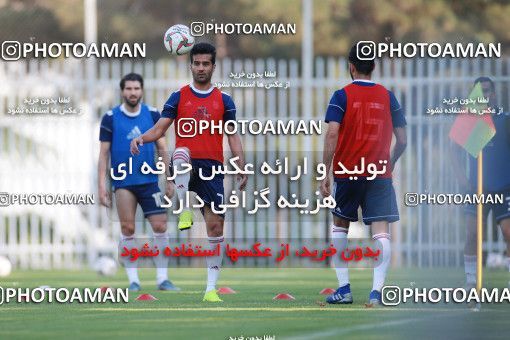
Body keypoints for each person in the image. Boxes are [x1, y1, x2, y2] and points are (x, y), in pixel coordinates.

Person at [130, 42, 248, 302]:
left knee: (216, 228)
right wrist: (141, 138)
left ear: (213, 67)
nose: (201, 67)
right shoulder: (179, 96)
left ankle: (210, 289)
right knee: (182, 153)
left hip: (213, 167)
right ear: (190, 64)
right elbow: (160, 129)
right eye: (197, 63)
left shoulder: (224, 101)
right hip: (184, 163)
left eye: (206, 63)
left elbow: (233, 136)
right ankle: (184, 207)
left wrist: (241, 165)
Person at [320, 43, 407, 305]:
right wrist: (388, 162)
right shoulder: (388, 96)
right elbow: (402, 139)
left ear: (351, 66)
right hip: (379, 173)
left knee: (339, 227)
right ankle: (377, 292)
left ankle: (344, 289)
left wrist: (325, 170)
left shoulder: (341, 95)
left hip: (347, 172)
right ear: (374, 66)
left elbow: (332, 133)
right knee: (381, 232)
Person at [98, 73, 179, 292]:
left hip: (150, 181)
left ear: (141, 90)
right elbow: (104, 155)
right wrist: (101, 186)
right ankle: (133, 280)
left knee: (161, 225)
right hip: (123, 182)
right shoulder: (110, 117)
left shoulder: (152, 114)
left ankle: (163, 279)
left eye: (136, 88)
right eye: (128, 89)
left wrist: (170, 179)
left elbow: (162, 148)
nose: (132, 92)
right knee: (127, 228)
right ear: (122, 91)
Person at [452, 77, 510, 290]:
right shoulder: (469, 120)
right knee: (472, 234)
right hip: (476, 188)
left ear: (493, 94)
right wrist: (462, 179)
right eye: (479, 91)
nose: (484, 95)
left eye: (487, 91)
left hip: (504, 187)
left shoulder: (504, 120)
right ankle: (470, 282)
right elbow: (454, 151)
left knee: (508, 233)